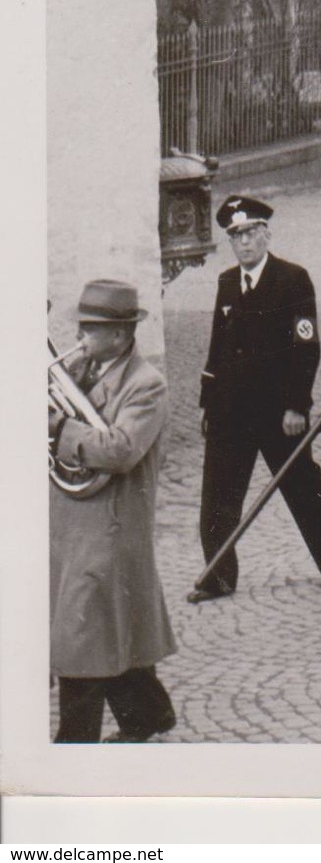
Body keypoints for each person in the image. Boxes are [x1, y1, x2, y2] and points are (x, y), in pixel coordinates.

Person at [191, 195, 321, 604]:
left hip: (278, 412)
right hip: (231, 410)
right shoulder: (228, 283)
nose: (243, 243)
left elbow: (306, 347)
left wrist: (297, 405)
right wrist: (209, 403)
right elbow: (218, 347)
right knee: (218, 495)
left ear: (266, 234)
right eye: (235, 236)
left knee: (302, 485)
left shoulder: (292, 279)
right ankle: (217, 575)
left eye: (250, 233)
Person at [49, 279, 177, 743]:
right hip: (76, 523)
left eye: (90, 329)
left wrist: (61, 428)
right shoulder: (86, 371)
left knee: (83, 636)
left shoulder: (147, 385)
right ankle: (149, 714)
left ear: (121, 336)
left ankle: (72, 748)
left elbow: (121, 449)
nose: (80, 337)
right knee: (113, 626)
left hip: (112, 525)